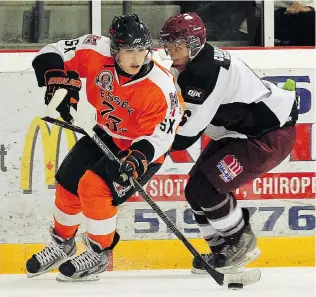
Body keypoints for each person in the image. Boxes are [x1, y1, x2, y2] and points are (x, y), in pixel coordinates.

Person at [25, 14, 183, 282]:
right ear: (114, 51)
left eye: (141, 49)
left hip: (140, 150)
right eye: (128, 50)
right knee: (68, 180)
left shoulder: (161, 86)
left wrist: (136, 159)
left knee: (94, 188)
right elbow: (51, 52)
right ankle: (63, 243)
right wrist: (57, 79)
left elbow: (161, 137)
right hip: (106, 133)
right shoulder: (95, 50)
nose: (136, 57)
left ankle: (98, 253)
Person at [159, 12, 298, 274]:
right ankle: (223, 251)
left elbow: (187, 134)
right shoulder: (194, 63)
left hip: (267, 136)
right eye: (169, 43)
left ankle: (240, 243)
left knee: (206, 188)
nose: (172, 50)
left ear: (195, 43)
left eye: (179, 44)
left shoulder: (204, 73)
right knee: (195, 190)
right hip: (240, 132)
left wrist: (147, 151)